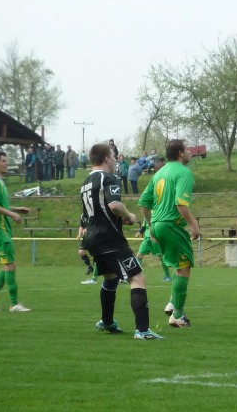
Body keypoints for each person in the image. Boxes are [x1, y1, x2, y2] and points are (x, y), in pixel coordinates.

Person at [79, 143, 164, 339]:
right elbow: (115, 205)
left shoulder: (86, 182)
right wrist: (129, 216)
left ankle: (107, 322)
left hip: (93, 237)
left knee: (111, 278)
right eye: (113, 157)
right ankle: (142, 330)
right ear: (106, 159)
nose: (115, 160)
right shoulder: (108, 178)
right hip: (110, 239)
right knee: (138, 278)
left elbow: (90, 213)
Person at [138, 139, 201, 328]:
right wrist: (194, 225)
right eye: (187, 149)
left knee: (178, 265)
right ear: (180, 152)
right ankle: (178, 315)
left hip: (158, 224)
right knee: (184, 267)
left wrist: (151, 226)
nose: (190, 152)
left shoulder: (160, 173)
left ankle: (173, 303)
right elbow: (181, 203)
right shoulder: (184, 173)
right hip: (172, 225)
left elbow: (144, 203)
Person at [0, 150, 32, 312]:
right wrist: (12, 214)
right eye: (4, 161)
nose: (7, 164)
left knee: (7, 265)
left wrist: (17, 209)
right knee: (10, 265)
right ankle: (14, 304)